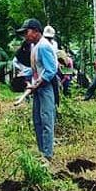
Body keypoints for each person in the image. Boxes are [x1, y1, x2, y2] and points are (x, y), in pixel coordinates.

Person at [17, 18, 57, 163]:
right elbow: (35, 69)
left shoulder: (44, 47)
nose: (25, 36)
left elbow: (51, 69)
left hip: (45, 88)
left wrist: (38, 82)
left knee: (46, 120)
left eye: (26, 32)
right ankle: (42, 152)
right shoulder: (34, 47)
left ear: (35, 31)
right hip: (37, 88)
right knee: (37, 120)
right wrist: (26, 75)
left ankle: (47, 155)